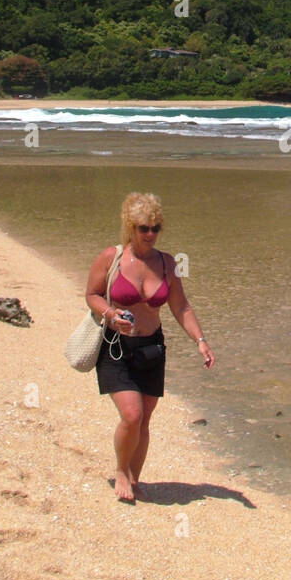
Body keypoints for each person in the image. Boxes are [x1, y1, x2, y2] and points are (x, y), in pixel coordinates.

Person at [85, 192, 214, 503]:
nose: (151, 234)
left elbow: (181, 306)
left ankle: (135, 477)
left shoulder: (167, 263)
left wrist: (200, 340)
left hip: (152, 348)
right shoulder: (110, 257)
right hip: (116, 346)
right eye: (144, 228)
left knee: (144, 420)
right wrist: (112, 314)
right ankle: (120, 471)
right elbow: (92, 295)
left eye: (156, 228)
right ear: (131, 227)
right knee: (131, 414)